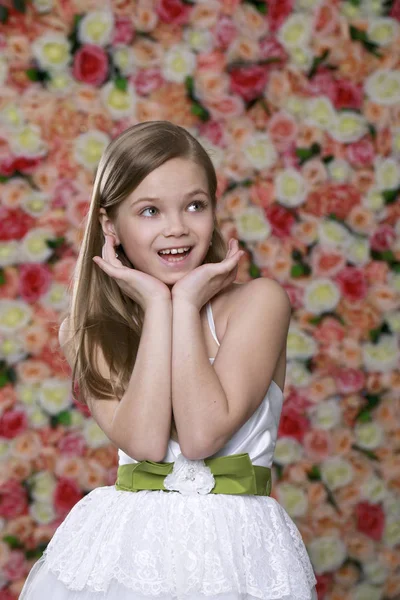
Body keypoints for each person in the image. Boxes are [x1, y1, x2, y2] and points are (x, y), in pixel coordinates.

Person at [19, 121, 318, 600]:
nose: (177, 227)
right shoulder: (90, 329)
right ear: (110, 227)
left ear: (214, 211)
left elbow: (202, 435)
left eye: (194, 205)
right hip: (128, 554)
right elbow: (145, 442)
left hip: (237, 556)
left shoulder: (259, 302)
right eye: (150, 211)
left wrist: (184, 304)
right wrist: (159, 305)